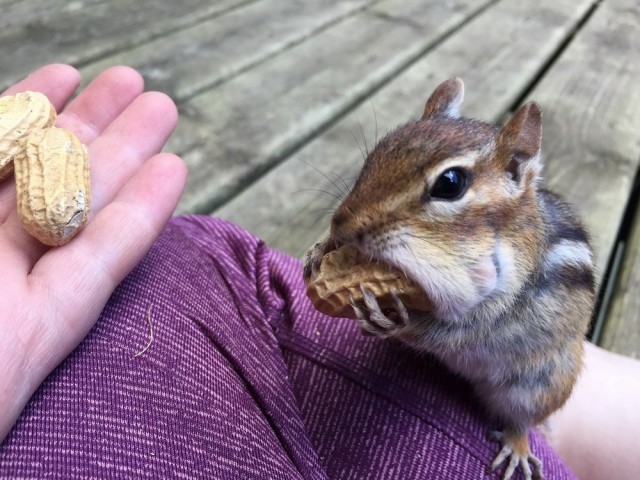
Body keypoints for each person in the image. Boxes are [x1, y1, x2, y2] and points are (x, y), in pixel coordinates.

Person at [0, 65, 638, 479]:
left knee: (530, 401)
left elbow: (472, 326)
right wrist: (351, 256)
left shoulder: (511, 259)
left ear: (518, 170)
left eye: (444, 187)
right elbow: (377, 239)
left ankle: (545, 433)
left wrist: (414, 327)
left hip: (520, 361)